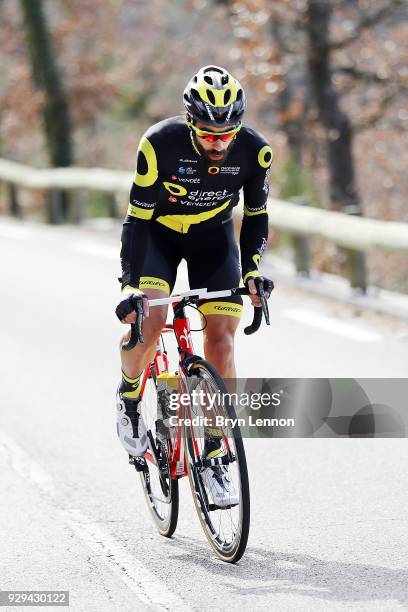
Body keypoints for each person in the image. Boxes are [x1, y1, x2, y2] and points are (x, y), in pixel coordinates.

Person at [115, 65, 273, 507]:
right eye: (207, 134)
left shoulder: (255, 151)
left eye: (227, 133)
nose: (218, 143)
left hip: (213, 239)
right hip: (158, 237)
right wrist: (129, 286)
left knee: (221, 341)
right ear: (190, 122)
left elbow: (256, 217)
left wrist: (253, 271)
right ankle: (129, 398)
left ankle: (217, 453)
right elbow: (137, 219)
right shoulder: (159, 144)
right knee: (153, 317)